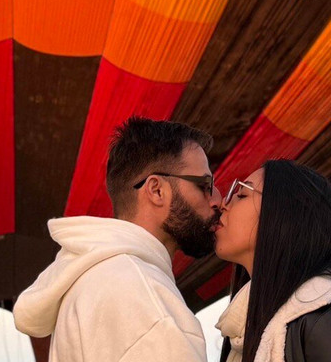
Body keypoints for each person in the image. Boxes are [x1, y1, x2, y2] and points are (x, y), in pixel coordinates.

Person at [13, 116, 221, 362]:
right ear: (156, 190)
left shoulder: (96, 278)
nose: (217, 200)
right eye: (204, 185)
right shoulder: (144, 296)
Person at [213, 160, 331, 362]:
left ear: (285, 215)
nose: (223, 203)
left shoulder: (326, 322)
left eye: (242, 194)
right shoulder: (242, 332)